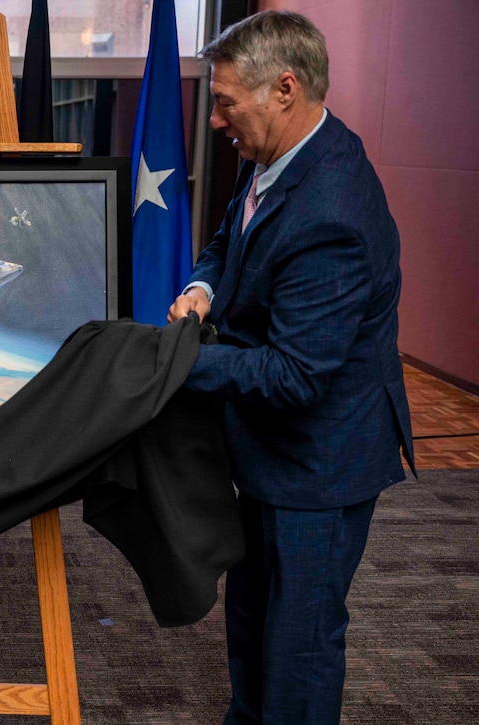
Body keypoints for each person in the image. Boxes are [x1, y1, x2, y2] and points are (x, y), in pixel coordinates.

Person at [167, 11, 414, 724]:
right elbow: (227, 241)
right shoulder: (275, 156)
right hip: (269, 450)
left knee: (298, 646)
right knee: (252, 623)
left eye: (225, 103)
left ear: (284, 88)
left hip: (320, 463)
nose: (217, 121)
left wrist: (179, 361)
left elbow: (295, 375)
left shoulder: (332, 209)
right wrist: (201, 290)